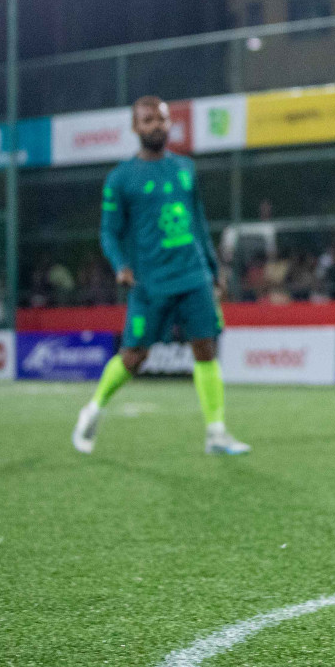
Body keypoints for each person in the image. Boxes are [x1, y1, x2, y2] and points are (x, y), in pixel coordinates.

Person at [71, 97, 249, 456]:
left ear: (170, 124)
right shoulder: (121, 178)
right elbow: (109, 232)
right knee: (135, 357)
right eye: (148, 120)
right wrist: (121, 265)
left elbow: (198, 222)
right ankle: (93, 408)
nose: (156, 125)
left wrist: (214, 270)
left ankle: (216, 433)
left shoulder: (185, 168)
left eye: (162, 119)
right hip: (149, 283)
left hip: (193, 274)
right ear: (136, 128)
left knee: (205, 348)